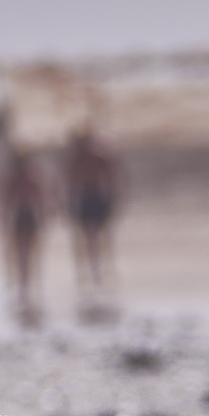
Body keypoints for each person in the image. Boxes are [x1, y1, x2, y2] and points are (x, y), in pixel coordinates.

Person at [0, 147, 51, 322]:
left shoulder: (27, 174)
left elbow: (41, 195)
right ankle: (21, 284)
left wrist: (45, 213)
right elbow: (1, 196)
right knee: (20, 251)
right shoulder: (17, 174)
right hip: (20, 214)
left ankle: (26, 284)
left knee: (25, 251)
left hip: (25, 213)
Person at [64, 127, 122, 307]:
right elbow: (70, 182)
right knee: (90, 236)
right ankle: (92, 272)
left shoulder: (94, 157)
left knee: (98, 236)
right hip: (87, 198)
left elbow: (112, 178)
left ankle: (100, 270)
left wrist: (113, 197)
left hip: (93, 198)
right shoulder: (80, 158)